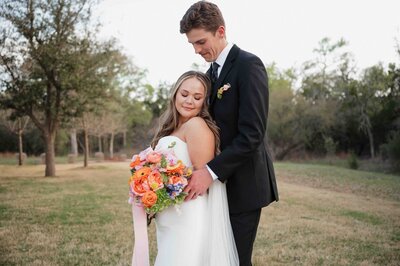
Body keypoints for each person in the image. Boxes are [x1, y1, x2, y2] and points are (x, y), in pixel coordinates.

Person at [180, 2, 279, 266]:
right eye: (192, 45)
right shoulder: (208, 74)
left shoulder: (249, 65)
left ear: (220, 31)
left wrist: (210, 172)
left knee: (235, 260)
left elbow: (252, 134)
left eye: (201, 42)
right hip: (217, 188)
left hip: (243, 186)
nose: (197, 50)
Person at [150, 71, 239, 266]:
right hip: (168, 215)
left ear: (204, 102)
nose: (189, 101)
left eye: (197, 97)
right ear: (175, 94)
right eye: (184, 94)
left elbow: (202, 179)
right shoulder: (171, 128)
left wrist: (169, 186)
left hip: (188, 215)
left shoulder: (197, 125)